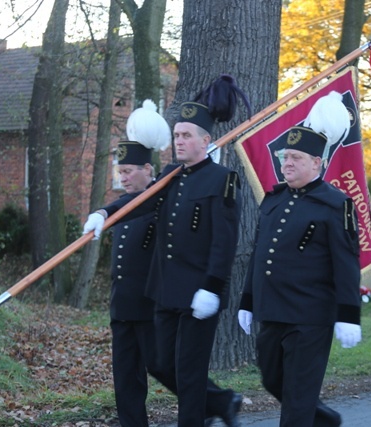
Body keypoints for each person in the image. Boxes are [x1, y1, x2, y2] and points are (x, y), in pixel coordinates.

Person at [84, 75, 250, 427]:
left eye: (187, 135)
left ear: (206, 141)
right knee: (160, 362)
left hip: (197, 294)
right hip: (163, 293)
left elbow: (224, 242)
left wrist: (212, 287)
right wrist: (104, 214)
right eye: (176, 135)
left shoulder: (222, 180)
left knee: (189, 375)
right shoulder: (172, 175)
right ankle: (220, 404)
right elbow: (139, 204)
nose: (179, 141)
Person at [238, 91, 362, 427]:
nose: (286, 163)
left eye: (295, 158)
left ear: (317, 163)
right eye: (285, 156)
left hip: (310, 317)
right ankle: (321, 418)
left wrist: (349, 315)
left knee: (296, 400)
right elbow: (259, 254)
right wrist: (248, 300)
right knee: (273, 380)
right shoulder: (274, 200)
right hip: (272, 312)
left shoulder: (336, 204)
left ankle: (307, 415)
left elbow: (347, 264)